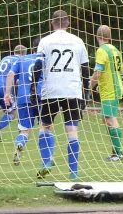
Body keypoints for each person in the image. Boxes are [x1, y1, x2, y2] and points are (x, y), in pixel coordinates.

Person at [33, 10, 90, 180]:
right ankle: (73, 173)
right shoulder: (78, 41)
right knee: (72, 131)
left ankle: (47, 162)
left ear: (52, 23)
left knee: (45, 126)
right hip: (73, 91)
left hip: (51, 90)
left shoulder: (45, 41)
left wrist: (31, 90)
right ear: (68, 23)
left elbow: (37, 66)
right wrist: (86, 92)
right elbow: (85, 69)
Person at [5, 39, 43, 165]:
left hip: (23, 97)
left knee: (24, 131)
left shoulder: (21, 59)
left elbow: (10, 73)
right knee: (45, 128)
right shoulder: (45, 59)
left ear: (32, 48)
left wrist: (7, 93)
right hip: (41, 96)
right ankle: (48, 158)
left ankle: (20, 144)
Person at [89, 25, 123, 162]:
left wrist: (89, 86)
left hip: (111, 90)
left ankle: (118, 153)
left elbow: (97, 73)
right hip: (114, 87)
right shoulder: (115, 50)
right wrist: (100, 85)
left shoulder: (102, 50)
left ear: (97, 36)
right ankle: (117, 151)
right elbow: (118, 71)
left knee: (109, 119)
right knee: (105, 118)